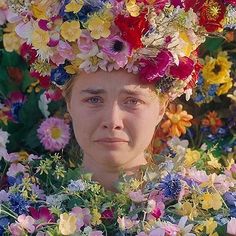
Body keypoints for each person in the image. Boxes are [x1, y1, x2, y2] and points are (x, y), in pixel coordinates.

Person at [6, 0, 227, 190]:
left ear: (161, 108)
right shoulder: (21, 218)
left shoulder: (208, 216)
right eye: (94, 99)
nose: (112, 121)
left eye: (132, 101)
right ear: (69, 103)